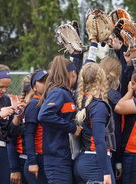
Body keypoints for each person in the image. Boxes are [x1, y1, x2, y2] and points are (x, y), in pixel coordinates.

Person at [37, 56, 82, 184]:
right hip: (56, 158)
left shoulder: (66, 93)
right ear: (73, 73)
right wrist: (72, 128)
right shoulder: (58, 92)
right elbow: (44, 115)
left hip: (63, 156)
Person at [73, 62, 115, 184]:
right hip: (95, 161)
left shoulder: (79, 100)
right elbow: (99, 141)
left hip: (82, 159)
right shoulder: (98, 106)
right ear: (101, 81)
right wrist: (106, 171)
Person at [99, 56, 123, 181]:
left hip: (86, 153)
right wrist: (119, 161)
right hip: (109, 154)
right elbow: (116, 133)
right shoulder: (118, 100)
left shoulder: (89, 93)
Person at [7, 73, 34, 184]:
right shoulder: (19, 110)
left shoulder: (43, 108)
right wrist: (14, 169)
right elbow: (11, 142)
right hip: (21, 161)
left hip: (39, 162)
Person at [24, 69, 49, 184]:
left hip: (47, 158)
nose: (46, 83)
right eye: (42, 81)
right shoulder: (34, 104)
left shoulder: (48, 102)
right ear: (34, 87)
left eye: (48, 80)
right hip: (38, 160)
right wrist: (32, 161)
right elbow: (28, 134)